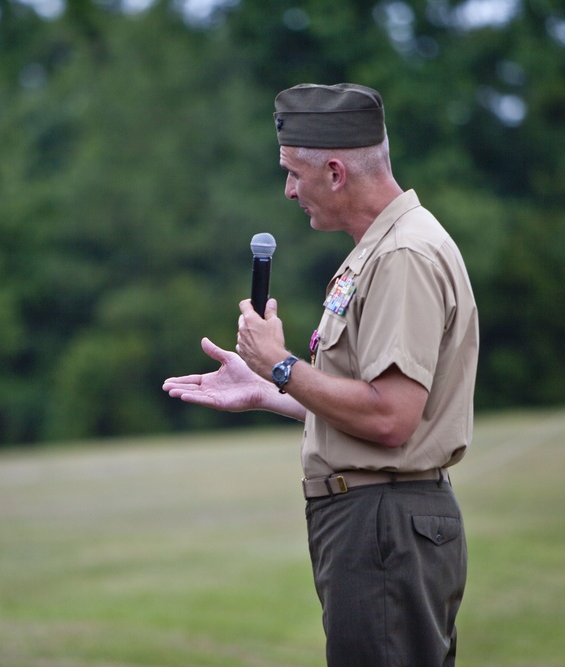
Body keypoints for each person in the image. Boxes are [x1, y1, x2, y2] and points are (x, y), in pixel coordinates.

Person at [162, 83, 478, 666]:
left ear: (335, 172)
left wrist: (282, 364)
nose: (287, 190)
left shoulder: (402, 256)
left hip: (384, 526)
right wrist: (268, 389)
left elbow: (390, 418)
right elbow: (366, 402)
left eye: (293, 173)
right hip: (382, 524)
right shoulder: (380, 248)